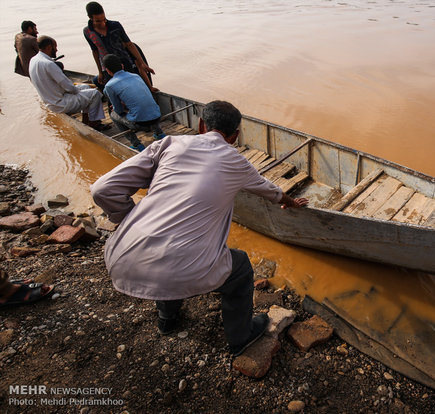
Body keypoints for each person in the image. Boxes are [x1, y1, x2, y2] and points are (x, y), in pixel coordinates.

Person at [91, 100, 308, 355]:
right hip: (181, 267)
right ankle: (241, 337)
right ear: (235, 136)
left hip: (122, 257)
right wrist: (291, 203)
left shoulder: (169, 143)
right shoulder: (237, 163)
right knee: (240, 268)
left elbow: (102, 189)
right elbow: (272, 191)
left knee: (171, 247)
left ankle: (167, 319)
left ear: (202, 125)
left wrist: (130, 220)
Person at [29, 36, 109, 130]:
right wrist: (77, 91)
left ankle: (86, 120)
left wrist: (79, 89)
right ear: (49, 47)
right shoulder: (49, 64)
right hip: (60, 103)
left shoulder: (33, 60)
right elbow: (69, 87)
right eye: (55, 47)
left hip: (51, 100)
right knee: (95, 94)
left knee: (85, 86)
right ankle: (94, 124)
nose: (56, 49)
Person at [83, 2, 157, 92]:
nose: (102, 23)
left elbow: (129, 44)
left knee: (134, 88)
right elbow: (95, 51)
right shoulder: (87, 32)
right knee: (114, 91)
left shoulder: (115, 25)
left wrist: (143, 64)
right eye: (98, 21)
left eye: (104, 19)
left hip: (125, 63)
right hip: (107, 67)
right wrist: (100, 72)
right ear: (90, 18)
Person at [102, 54, 166, 152]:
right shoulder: (136, 76)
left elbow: (118, 111)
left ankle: (136, 144)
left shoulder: (109, 86)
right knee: (144, 105)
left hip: (140, 124)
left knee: (113, 114)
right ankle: (159, 133)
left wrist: (117, 107)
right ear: (122, 66)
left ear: (108, 70)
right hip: (157, 116)